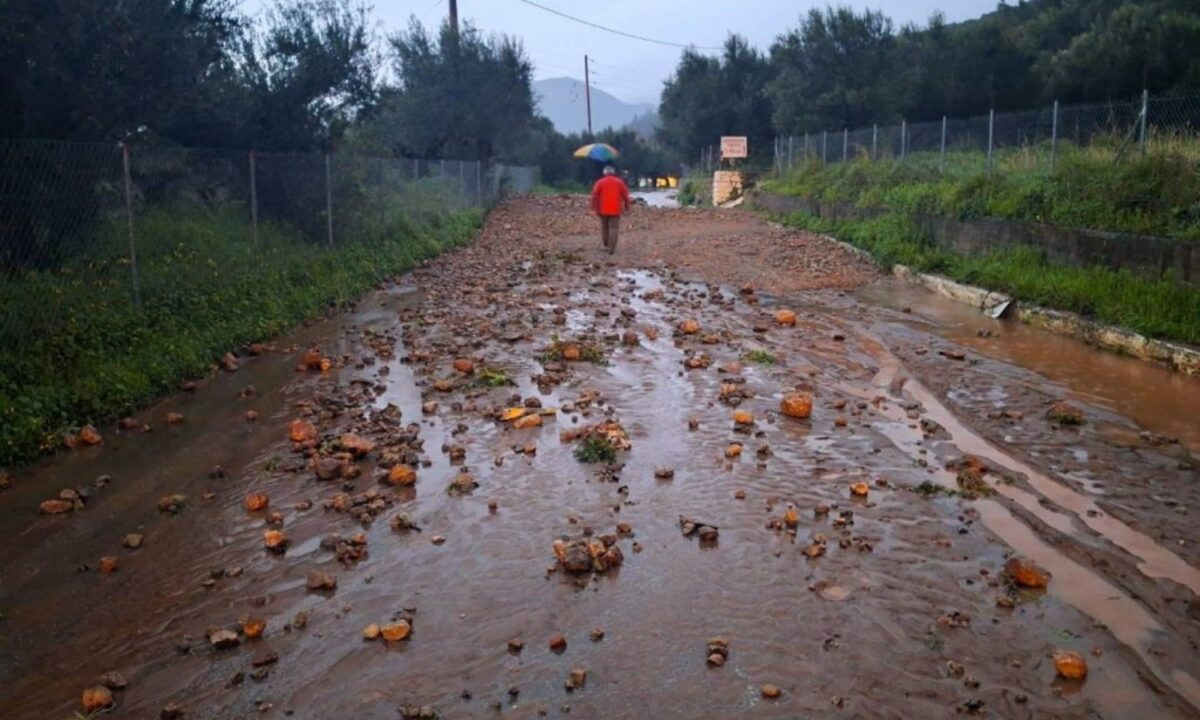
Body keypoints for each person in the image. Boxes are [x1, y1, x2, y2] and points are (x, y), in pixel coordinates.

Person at [590, 165, 631, 254]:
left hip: (602, 209)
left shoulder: (600, 182)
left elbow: (594, 195)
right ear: (613, 173)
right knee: (614, 228)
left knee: (604, 227)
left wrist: (593, 207)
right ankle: (612, 248)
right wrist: (627, 206)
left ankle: (606, 245)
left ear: (604, 173)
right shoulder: (619, 182)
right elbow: (625, 195)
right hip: (615, 208)